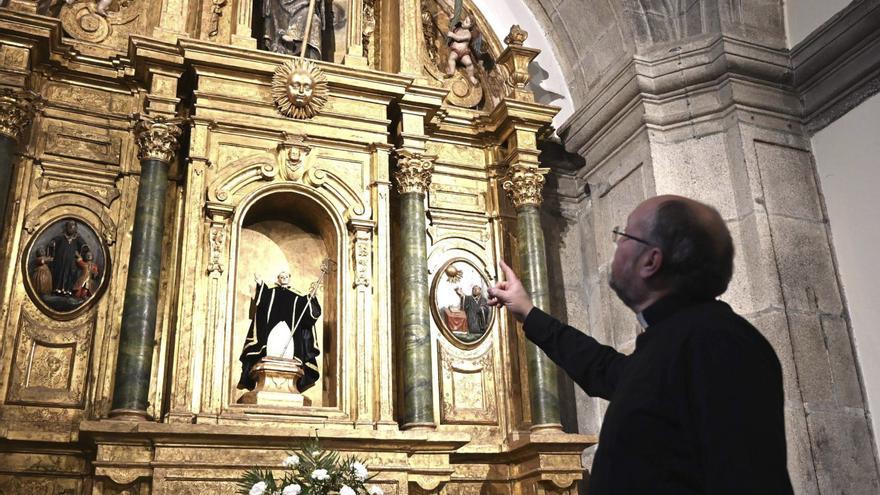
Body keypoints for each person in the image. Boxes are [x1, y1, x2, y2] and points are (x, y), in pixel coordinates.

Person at [488, 195, 794, 495]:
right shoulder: (675, 339)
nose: (616, 246)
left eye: (623, 237)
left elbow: (746, 479)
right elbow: (603, 368)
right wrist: (528, 312)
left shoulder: (719, 343)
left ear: (651, 260)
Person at [238, 271, 321, 392]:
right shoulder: (271, 292)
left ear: (289, 278)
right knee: (272, 348)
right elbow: (262, 301)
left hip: (289, 336)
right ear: (278, 278)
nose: (284, 278)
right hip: (273, 334)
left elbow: (308, 312)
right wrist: (260, 283)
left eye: (286, 276)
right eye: (281, 277)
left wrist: (311, 297)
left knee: (289, 352)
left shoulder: (297, 297)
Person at [48, 221, 87, 296]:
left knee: (70, 274)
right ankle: (57, 289)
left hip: (71, 261)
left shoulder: (77, 238)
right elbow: (54, 241)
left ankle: (68, 291)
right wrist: (53, 243)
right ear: (66, 227)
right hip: (60, 260)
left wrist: (83, 252)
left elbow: (84, 246)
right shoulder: (61, 237)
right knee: (59, 273)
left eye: (73, 227)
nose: (71, 228)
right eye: (69, 227)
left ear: (76, 228)